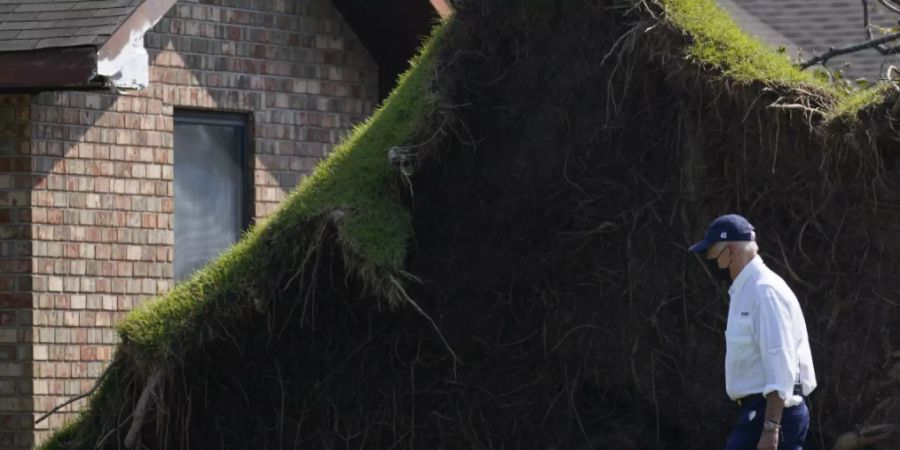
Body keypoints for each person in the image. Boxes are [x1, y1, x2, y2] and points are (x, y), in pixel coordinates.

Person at [689, 214, 817, 450]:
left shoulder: (764, 292)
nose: (710, 261)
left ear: (731, 250)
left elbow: (780, 361)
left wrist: (771, 428)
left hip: (773, 414)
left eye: (712, 255)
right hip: (759, 412)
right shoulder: (745, 290)